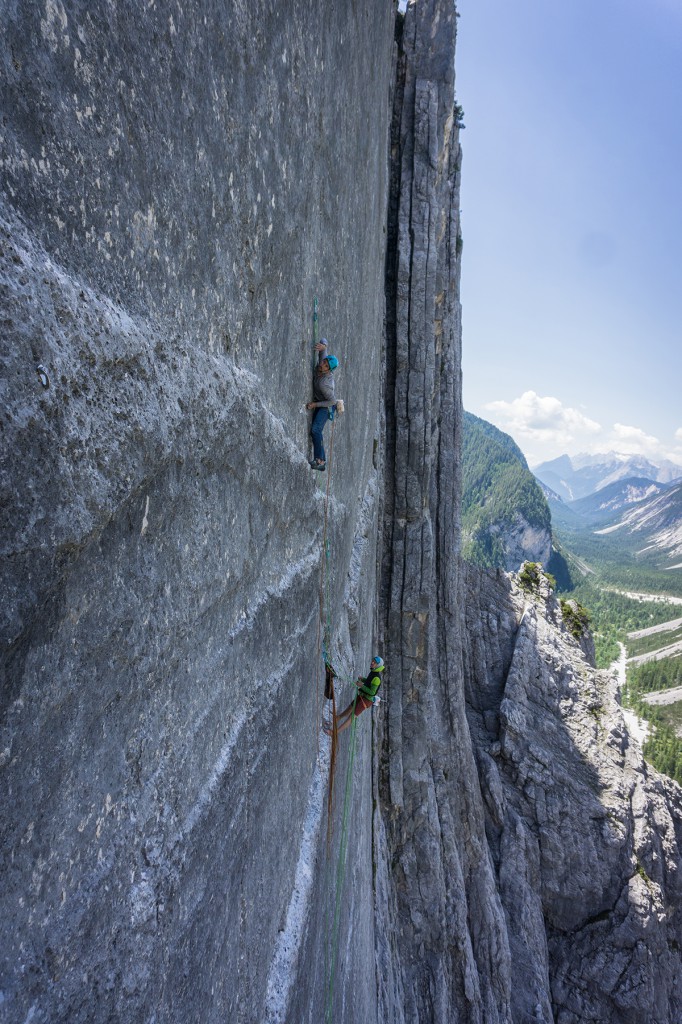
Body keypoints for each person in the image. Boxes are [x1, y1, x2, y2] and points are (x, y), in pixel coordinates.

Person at [323, 656, 385, 735]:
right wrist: (363, 679)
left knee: (352, 717)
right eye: (373, 661)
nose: (372, 662)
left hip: (366, 700)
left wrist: (361, 685)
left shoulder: (377, 678)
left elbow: (372, 692)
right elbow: (370, 682)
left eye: (375, 662)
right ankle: (337, 718)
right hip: (363, 695)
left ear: (378, 665)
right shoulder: (373, 672)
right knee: (350, 707)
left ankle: (334, 733)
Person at [306, 339, 338, 471]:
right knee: (315, 431)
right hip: (323, 401)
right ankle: (322, 461)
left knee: (315, 430)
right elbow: (324, 342)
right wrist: (325, 345)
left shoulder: (325, 384)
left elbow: (332, 401)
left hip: (327, 406)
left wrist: (315, 404)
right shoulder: (323, 362)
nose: (323, 365)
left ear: (328, 370)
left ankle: (320, 460)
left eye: (326, 366)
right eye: (324, 362)